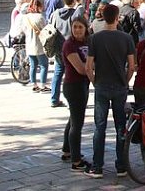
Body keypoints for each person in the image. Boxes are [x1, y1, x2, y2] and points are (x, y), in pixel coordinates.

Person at [84, 3, 136, 178]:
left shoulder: (95, 38)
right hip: (119, 86)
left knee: (100, 127)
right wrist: (125, 81)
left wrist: (95, 82)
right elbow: (131, 66)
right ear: (117, 18)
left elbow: (88, 67)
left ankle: (97, 166)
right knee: (121, 126)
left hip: (102, 85)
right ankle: (121, 165)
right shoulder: (126, 38)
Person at [61, 16, 91, 171]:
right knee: (77, 123)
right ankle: (76, 160)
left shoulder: (88, 42)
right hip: (73, 86)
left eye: (80, 27)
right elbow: (81, 69)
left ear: (86, 28)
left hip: (83, 85)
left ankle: (67, 150)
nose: (77, 30)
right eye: (75, 27)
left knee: (73, 119)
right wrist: (93, 66)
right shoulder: (69, 45)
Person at [50, 0, 84, 108]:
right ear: (74, 0)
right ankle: (71, 100)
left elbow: (51, 27)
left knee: (58, 73)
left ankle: (54, 98)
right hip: (71, 48)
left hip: (58, 47)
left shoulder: (55, 13)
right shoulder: (75, 14)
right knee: (71, 75)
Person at [22, 0, 49, 91]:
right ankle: (43, 85)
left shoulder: (26, 17)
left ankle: (33, 84)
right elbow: (45, 29)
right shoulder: (40, 17)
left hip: (29, 43)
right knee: (44, 65)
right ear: (39, 6)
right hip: (39, 44)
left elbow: (23, 29)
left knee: (33, 65)